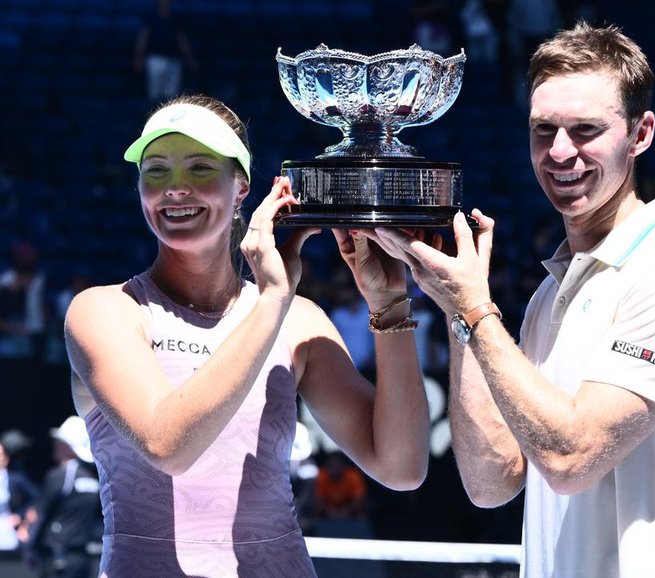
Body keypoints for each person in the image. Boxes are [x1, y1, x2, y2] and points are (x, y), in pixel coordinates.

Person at [361, 21, 655, 577]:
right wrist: (458, 311)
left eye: (586, 129)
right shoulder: (552, 293)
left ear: (640, 134)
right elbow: (490, 482)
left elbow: (571, 458)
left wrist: (476, 310)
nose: (560, 152)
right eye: (543, 130)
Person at [63, 94, 429, 577]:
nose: (175, 188)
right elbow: (168, 446)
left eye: (198, 168)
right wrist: (272, 299)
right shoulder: (105, 311)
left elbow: (401, 468)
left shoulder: (299, 320)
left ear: (242, 186)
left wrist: (388, 304)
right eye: (156, 170)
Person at [26, 416, 102, 578]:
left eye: (60, 442)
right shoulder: (93, 477)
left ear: (69, 446)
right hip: (84, 558)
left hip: (58, 560)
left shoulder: (59, 475)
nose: (55, 445)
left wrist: (30, 548)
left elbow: (40, 515)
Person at [133, 0, 199, 102]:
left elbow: (182, 41)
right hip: (155, 59)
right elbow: (143, 38)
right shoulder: (151, 18)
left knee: (173, 96)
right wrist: (138, 57)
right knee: (154, 94)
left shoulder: (175, 19)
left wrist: (190, 60)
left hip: (174, 60)